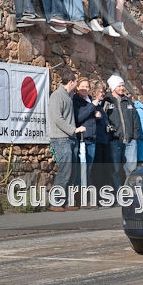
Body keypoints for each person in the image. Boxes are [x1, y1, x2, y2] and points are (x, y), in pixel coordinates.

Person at [48, 69, 86, 211]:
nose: (77, 84)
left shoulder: (69, 96)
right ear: (71, 82)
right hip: (60, 139)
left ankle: (69, 201)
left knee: (73, 171)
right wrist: (74, 130)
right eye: (76, 82)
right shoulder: (57, 96)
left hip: (71, 139)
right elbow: (58, 119)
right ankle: (56, 202)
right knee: (66, 170)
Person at [103, 75, 141, 190]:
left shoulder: (128, 101)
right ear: (113, 87)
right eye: (119, 86)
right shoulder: (107, 102)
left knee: (131, 169)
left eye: (123, 85)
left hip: (130, 141)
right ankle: (118, 190)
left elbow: (135, 119)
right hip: (115, 141)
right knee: (114, 169)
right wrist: (109, 136)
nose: (122, 88)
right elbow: (103, 120)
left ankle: (129, 191)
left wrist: (135, 137)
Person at [72, 77, 102, 186]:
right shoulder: (75, 100)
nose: (85, 89)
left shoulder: (90, 99)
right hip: (82, 139)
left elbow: (91, 116)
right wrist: (92, 106)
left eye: (87, 87)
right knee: (81, 169)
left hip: (92, 139)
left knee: (88, 169)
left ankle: (85, 191)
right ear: (77, 88)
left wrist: (98, 115)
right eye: (82, 86)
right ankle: (78, 192)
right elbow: (79, 117)